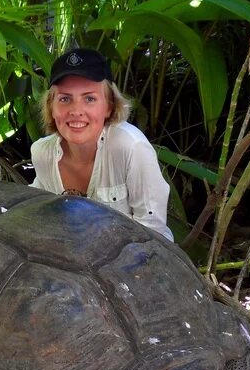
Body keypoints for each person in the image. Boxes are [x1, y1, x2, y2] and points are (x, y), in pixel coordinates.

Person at [29, 48, 174, 241]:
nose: (76, 110)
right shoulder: (42, 153)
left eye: (89, 99)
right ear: (51, 107)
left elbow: (152, 232)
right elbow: (41, 220)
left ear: (109, 106)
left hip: (137, 258)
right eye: (65, 99)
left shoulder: (131, 147)